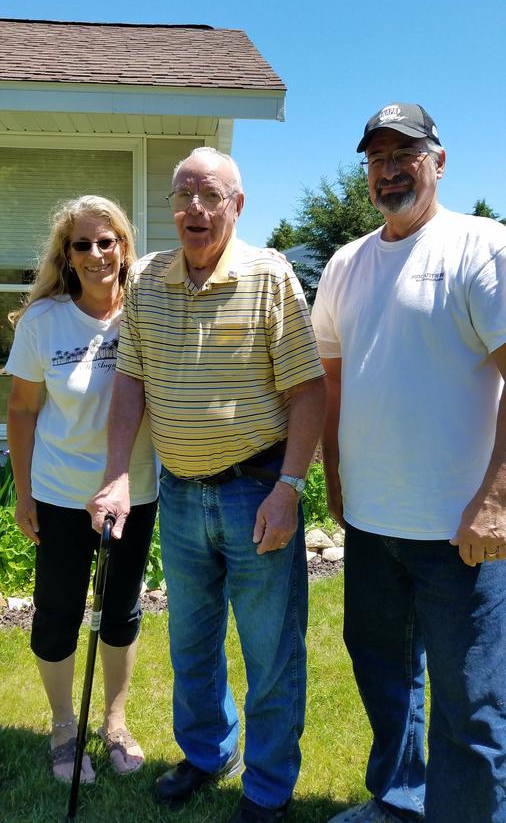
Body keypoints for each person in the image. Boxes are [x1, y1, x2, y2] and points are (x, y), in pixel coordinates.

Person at [87, 147, 326, 823]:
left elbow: (308, 391)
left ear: (237, 205)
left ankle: (270, 787)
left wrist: (289, 487)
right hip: (182, 496)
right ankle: (206, 752)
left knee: (270, 652)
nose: (195, 207)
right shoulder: (149, 281)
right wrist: (113, 478)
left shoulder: (269, 277)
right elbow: (130, 383)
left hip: (257, 494)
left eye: (210, 194)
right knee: (191, 641)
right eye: (183, 194)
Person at [311, 103, 506, 823]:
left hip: (462, 531)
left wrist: (498, 499)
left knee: (471, 705)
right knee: (386, 677)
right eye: (377, 157)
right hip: (372, 524)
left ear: (440, 162)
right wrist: (333, 477)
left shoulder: (480, 248)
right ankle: (401, 800)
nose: (390, 170)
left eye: (406, 154)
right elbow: (333, 381)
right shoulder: (345, 264)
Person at [6, 196, 158, 784]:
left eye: (106, 241)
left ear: (123, 245)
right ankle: (65, 728)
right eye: (81, 245)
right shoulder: (45, 322)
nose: (96, 254)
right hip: (61, 495)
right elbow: (21, 411)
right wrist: (23, 494)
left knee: (119, 611)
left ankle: (114, 723)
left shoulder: (147, 313)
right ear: (66, 256)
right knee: (58, 614)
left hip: (133, 491)